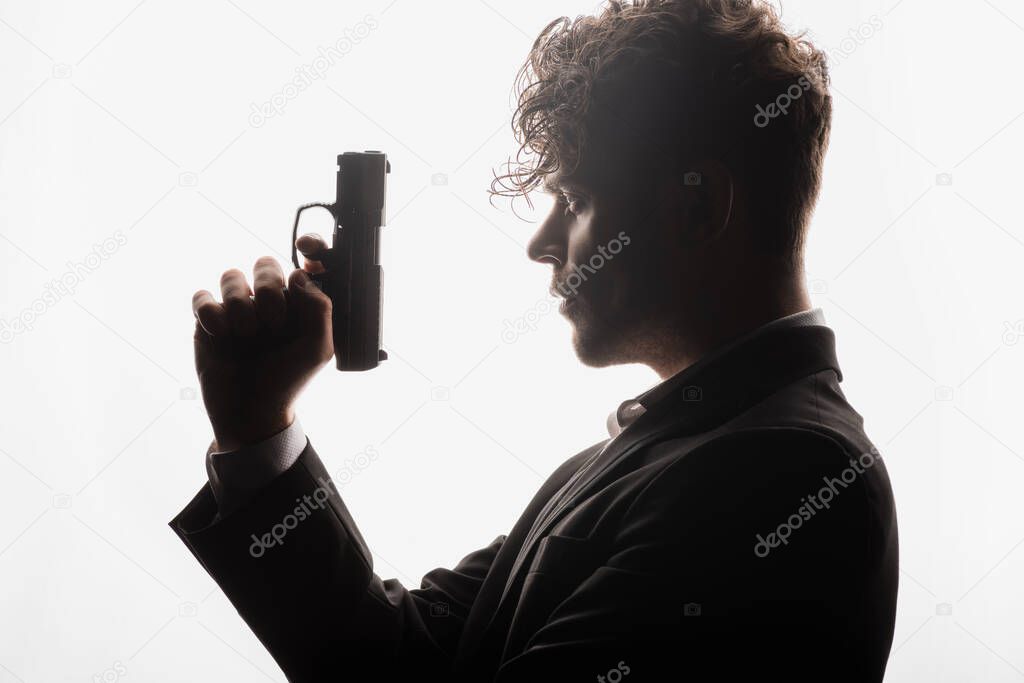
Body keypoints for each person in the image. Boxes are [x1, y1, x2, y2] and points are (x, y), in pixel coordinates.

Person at [173, 1, 898, 680]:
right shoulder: (645, 456)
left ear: (697, 202)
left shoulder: (787, 471)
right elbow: (405, 663)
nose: (541, 244)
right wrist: (255, 426)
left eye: (577, 201)